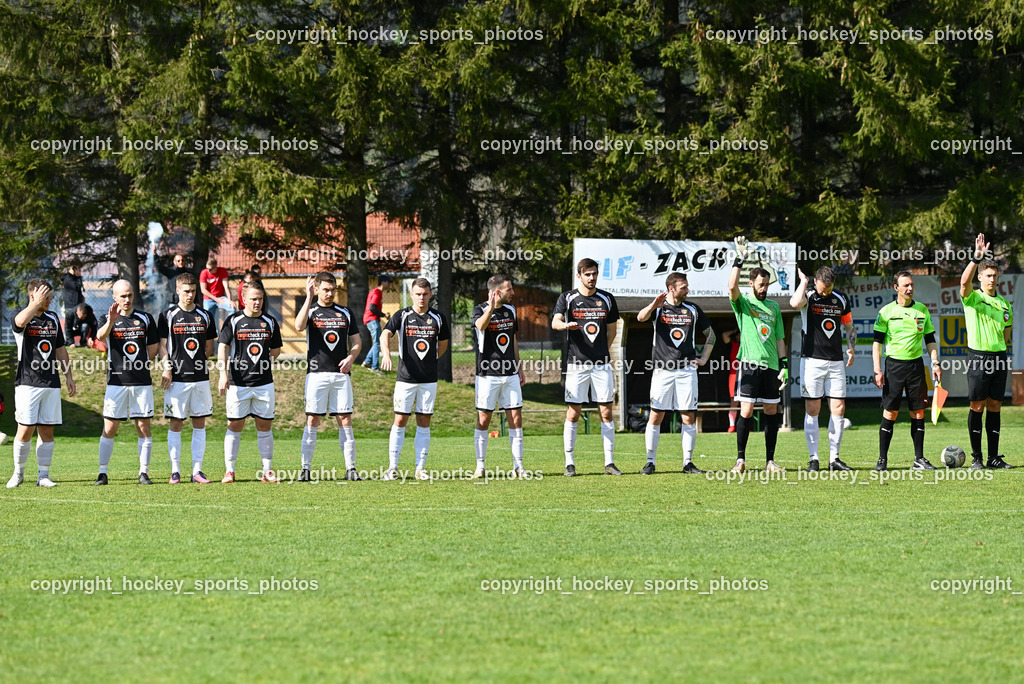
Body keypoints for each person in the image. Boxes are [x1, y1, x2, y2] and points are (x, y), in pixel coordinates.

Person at [636, 272, 715, 474]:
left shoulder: (693, 309)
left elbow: (711, 335)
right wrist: (654, 305)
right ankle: (650, 462)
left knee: (688, 416)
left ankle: (687, 463)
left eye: (687, 286)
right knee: (656, 415)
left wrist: (704, 358)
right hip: (662, 370)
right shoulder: (659, 309)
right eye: (683, 287)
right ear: (671, 288)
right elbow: (640, 317)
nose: (688, 290)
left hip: (687, 371)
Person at [552, 258, 622, 476]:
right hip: (577, 365)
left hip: (601, 364)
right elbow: (555, 322)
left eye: (595, 274)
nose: (592, 278)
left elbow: (612, 330)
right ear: (579, 276)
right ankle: (569, 463)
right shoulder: (568, 297)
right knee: (573, 413)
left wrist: (602, 351)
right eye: (588, 274)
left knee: (607, 412)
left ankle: (609, 463)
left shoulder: (607, 299)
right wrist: (565, 325)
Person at [7, 279, 76, 488]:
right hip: (27, 382)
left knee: (47, 430)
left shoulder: (53, 318)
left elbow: (60, 349)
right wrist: (35, 304)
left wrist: (68, 376)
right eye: (46, 296)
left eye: (50, 296)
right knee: (25, 428)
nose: (49, 300)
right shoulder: (21, 316)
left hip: (50, 383)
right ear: (33, 296)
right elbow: (19, 322)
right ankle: (18, 474)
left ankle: (43, 476)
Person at [295, 272, 363, 482]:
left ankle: (351, 469)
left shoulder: (345, 312)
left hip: (340, 375)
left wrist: (351, 358)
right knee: (313, 419)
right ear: (317, 289)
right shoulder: (312, 310)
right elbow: (298, 326)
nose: (330, 293)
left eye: (333, 289)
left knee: (345, 419)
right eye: (325, 289)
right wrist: (308, 297)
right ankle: (305, 470)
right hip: (316, 375)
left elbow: (357, 342)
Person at [728, 236, 788, 473]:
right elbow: (732, 288)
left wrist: (784, 365)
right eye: (761, 284)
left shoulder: (774, 307)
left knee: (772, 411)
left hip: (772, 366)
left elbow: (780, 338)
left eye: (767, 285)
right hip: (750, 365)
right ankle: (740, 460)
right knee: (746, 410)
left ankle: (770, 461)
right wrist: (738, 259)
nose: (764, 289)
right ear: (752, 284)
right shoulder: (743, 303)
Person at [380, 278, 450, 481]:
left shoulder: (438, 318)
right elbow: (385, 334)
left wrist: (431, 360)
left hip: (428, 379)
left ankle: (420, 468)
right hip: (405, 379)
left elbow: (443, 344)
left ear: (430, 295)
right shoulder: (402, 315)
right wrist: (386, 354)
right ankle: (392, 468)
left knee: (424, 421)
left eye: (425, 294)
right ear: (411, 294)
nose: (422, 297)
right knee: (400, 420)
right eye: (418, 294)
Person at [872, 271, 942, 471]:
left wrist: (935, 363)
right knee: (891, 412)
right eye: (905, 286)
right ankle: (882, 460)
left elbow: (929, 340)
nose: (910, 289)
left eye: (911, 285)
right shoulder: (886, 312)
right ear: (896, 288)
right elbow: (877, 343)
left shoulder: (922, 310)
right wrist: (877, 370)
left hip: (916, 366)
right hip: (894, 366)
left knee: (918, 412)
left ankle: (919, 459)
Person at [790, 266, 857, 471]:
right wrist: (803, 282)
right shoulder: (809, 295)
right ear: (816, 281)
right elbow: (794, 303)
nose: (825, 292)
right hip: (812, 361)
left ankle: (834, 459)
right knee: (813, 409)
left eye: (828, 288)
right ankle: (814, 458)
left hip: (836, 361)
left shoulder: (841, 298)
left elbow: (849, 327)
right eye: (822, 288)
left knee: (838, 408)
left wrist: (851, 348)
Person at [94, 280, 160, 485]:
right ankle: (102, 473)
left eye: (130, 295)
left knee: (143, 426)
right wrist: (112, 321)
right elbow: (99, 337)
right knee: (110, 427)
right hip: (116, 382)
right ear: (114, 297)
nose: (127, 299)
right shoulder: (106, 318)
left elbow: (153, 347)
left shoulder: (146, 318)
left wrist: (139, 365)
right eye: (122, 296)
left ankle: (144, 473)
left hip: (141, 382)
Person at [218, 281, 283, 483]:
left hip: (264, 383)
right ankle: (229, 471)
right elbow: (223, 346)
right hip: (238, 383)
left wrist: (262, 364)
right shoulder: (234, 320)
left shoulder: (270, 321)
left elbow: (276, 350)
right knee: (234, 424)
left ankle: (267, 471)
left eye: (260, 299)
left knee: (264, 425)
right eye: (253, 299)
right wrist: (222, 374)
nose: (257, 302)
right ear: (243, 300)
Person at [158, 273, 218, 484]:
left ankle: (197, 471)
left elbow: (209, 347)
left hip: (200, 378)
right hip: (176, 379)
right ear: (177, 291)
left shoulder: (205, 316)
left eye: (193, 291)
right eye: (186, 291)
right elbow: (162, 345)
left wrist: (199, 362)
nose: (190, 295)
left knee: (199, 423)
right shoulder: (168, 315)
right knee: (176, 423)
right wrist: (167, 368)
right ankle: (175, 471)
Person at [959, 233, 1013, 469]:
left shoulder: (1004, 304)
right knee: (977, 406)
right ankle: (977, 458)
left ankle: (993, 457)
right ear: (980, 277)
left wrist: (1001, 351)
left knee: (995, 406)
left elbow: (1007, 332)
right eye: (987, 276)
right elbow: (963, 283)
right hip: (978, 358)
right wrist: (976, 258)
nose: (992, 279)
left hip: (999, 358)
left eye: (994, 276)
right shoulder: (973, 298)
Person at [471, 274, 527, 478]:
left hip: (510, 374)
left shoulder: (511, 310)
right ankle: (480, 466)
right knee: (484, 419)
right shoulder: (479, 310)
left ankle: (519, 466)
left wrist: (519, 367)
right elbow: (481, 326)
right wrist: (491, 307)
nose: (513, 293)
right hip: (487, 374)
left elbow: (513, 340)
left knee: (516, 418)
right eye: (509, 289)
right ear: (497, 292)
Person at [362, 275, 393, 372]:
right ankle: (375, 367)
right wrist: (384, 315)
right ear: (383, 282)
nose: (389, 284)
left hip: (370, 319)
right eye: (388, 282)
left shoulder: (376, 292)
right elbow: (372, 308)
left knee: (377, 342)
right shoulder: (377, 292)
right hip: (372, 319)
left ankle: (367, 362)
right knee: (378, 343)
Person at [200, 255, 234, 328]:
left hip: (221, 297)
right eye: (207, 268)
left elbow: (226, 287)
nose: (208, 271)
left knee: (232, 308)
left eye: (210, 269)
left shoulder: (222, 271)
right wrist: (216, 299)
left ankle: (229, 329)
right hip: (208, 299)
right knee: (207, 317)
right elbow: (203, 290)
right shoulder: (204, 273)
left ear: (216, 266)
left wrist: (230, 300)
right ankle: (209, 334)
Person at [61, 261, 85, 340]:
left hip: (78, 303)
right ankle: (67, 340)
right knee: (69, 323)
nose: (79, 271)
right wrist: (78, 277)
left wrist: (81, 297)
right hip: (71, 304)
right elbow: (77, 287)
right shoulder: (68, 278)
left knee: (79, 322)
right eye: (78, 269)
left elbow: (77, 291)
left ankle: (81, 340)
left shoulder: (74, 278)